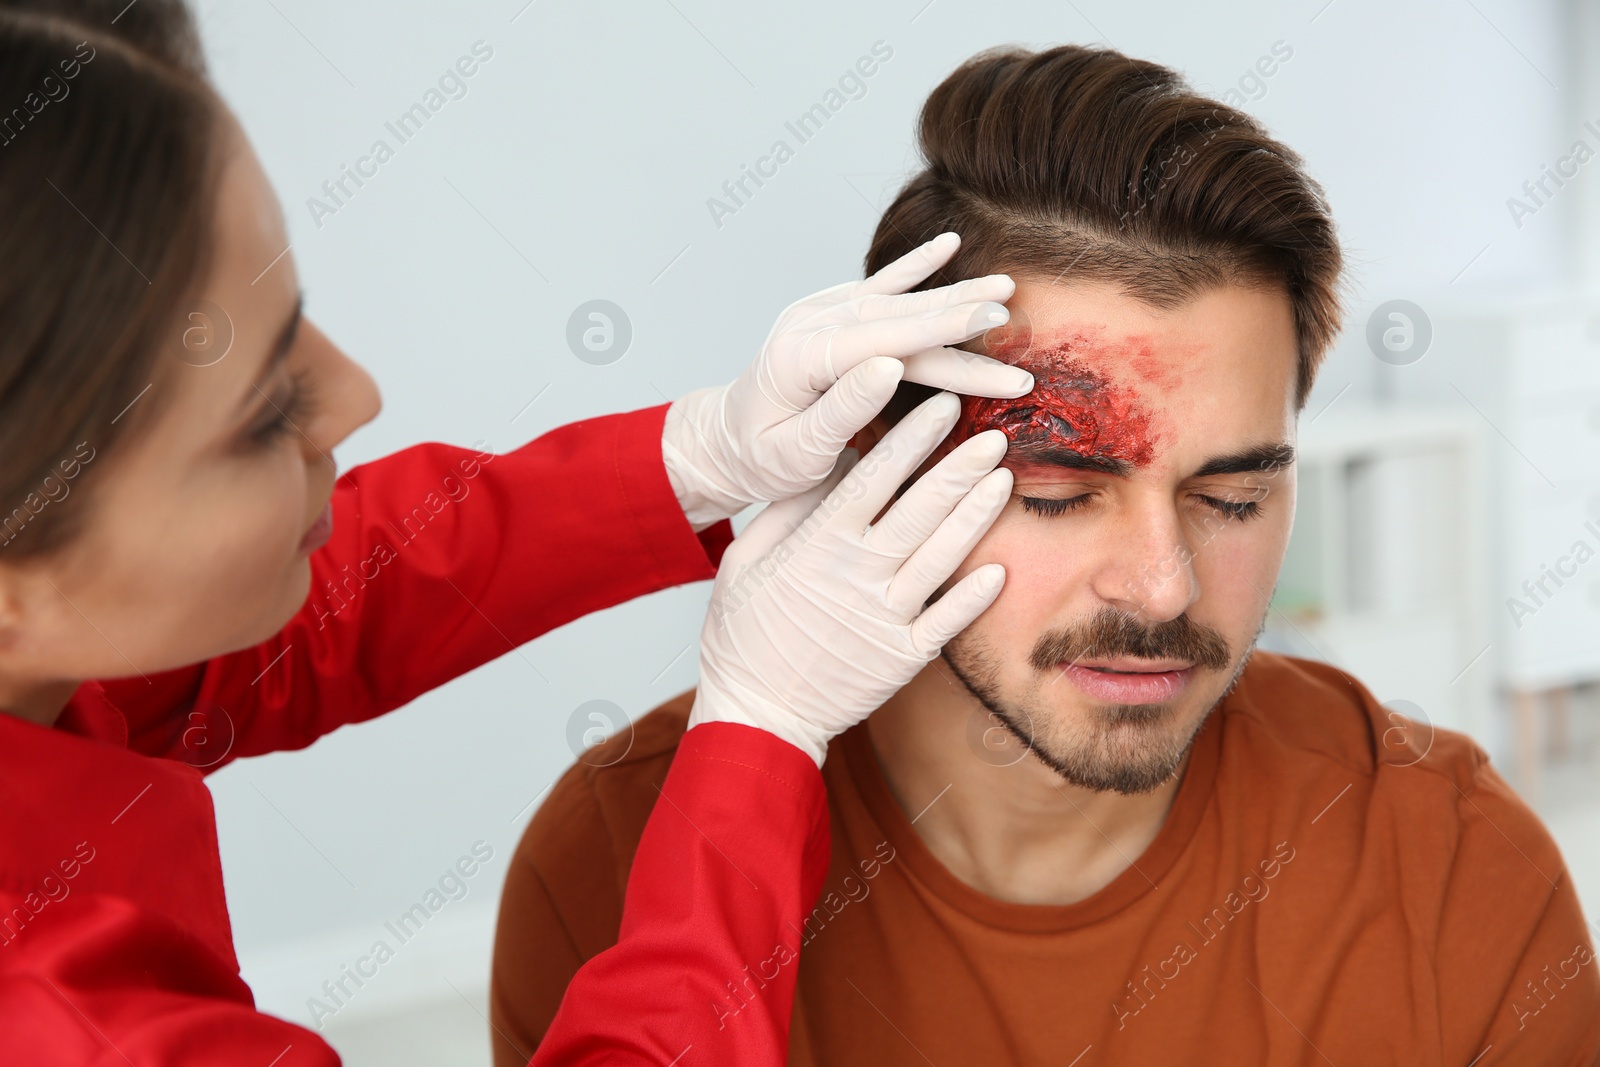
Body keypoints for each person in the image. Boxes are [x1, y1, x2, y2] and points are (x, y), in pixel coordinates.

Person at [491, 44, 1600, 1066]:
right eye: (1061, 495)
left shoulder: (1451, 867)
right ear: (872, 462)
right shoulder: (611, 867)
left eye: (1232, 494)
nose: (1162, 584)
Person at [0, 2, 1035, 1063]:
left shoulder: (48, 653)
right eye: (262, 412)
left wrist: (695, 454)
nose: (358, 394)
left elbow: (288, 624)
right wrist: (759, 733)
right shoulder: (66, 1030)